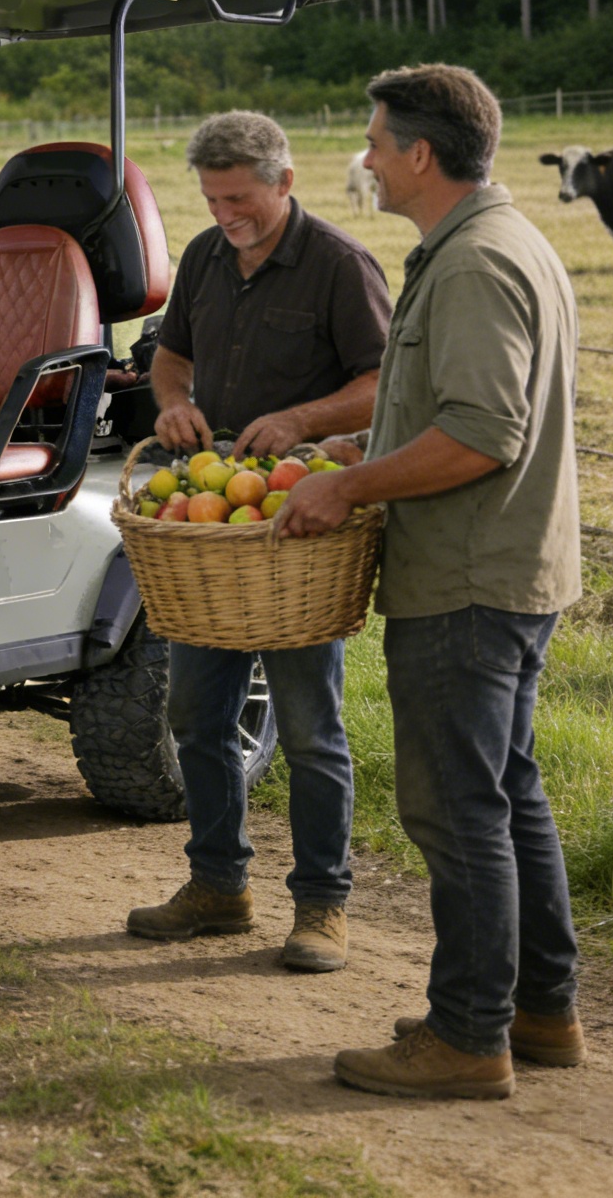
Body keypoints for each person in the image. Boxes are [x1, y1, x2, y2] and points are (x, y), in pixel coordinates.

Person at [280, 65, 582, 1101]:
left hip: (463, 576)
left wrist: (350, 485)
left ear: (418, 153)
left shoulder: (467, 265)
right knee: (507, 796)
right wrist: (360, 446)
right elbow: (456, 409)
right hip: (507, 566)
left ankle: (464, 1036)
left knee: (457, 811)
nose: (362, 158)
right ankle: (539, 1010)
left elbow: (481, 434)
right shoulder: (498, 242)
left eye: (373, 141)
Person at [129, 111, 393, 973]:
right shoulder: (207, 256)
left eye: (238, 197)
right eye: (210, 198)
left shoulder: (338, 264)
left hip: (301, 519)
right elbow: (172, 355)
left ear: (284, 184)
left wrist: (299, 419)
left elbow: (384, 379)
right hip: (212, 517)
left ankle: (323, 904)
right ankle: (219, 886)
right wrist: (173, 402)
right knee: (196, 718)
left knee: (312, 729)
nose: (224, 214)